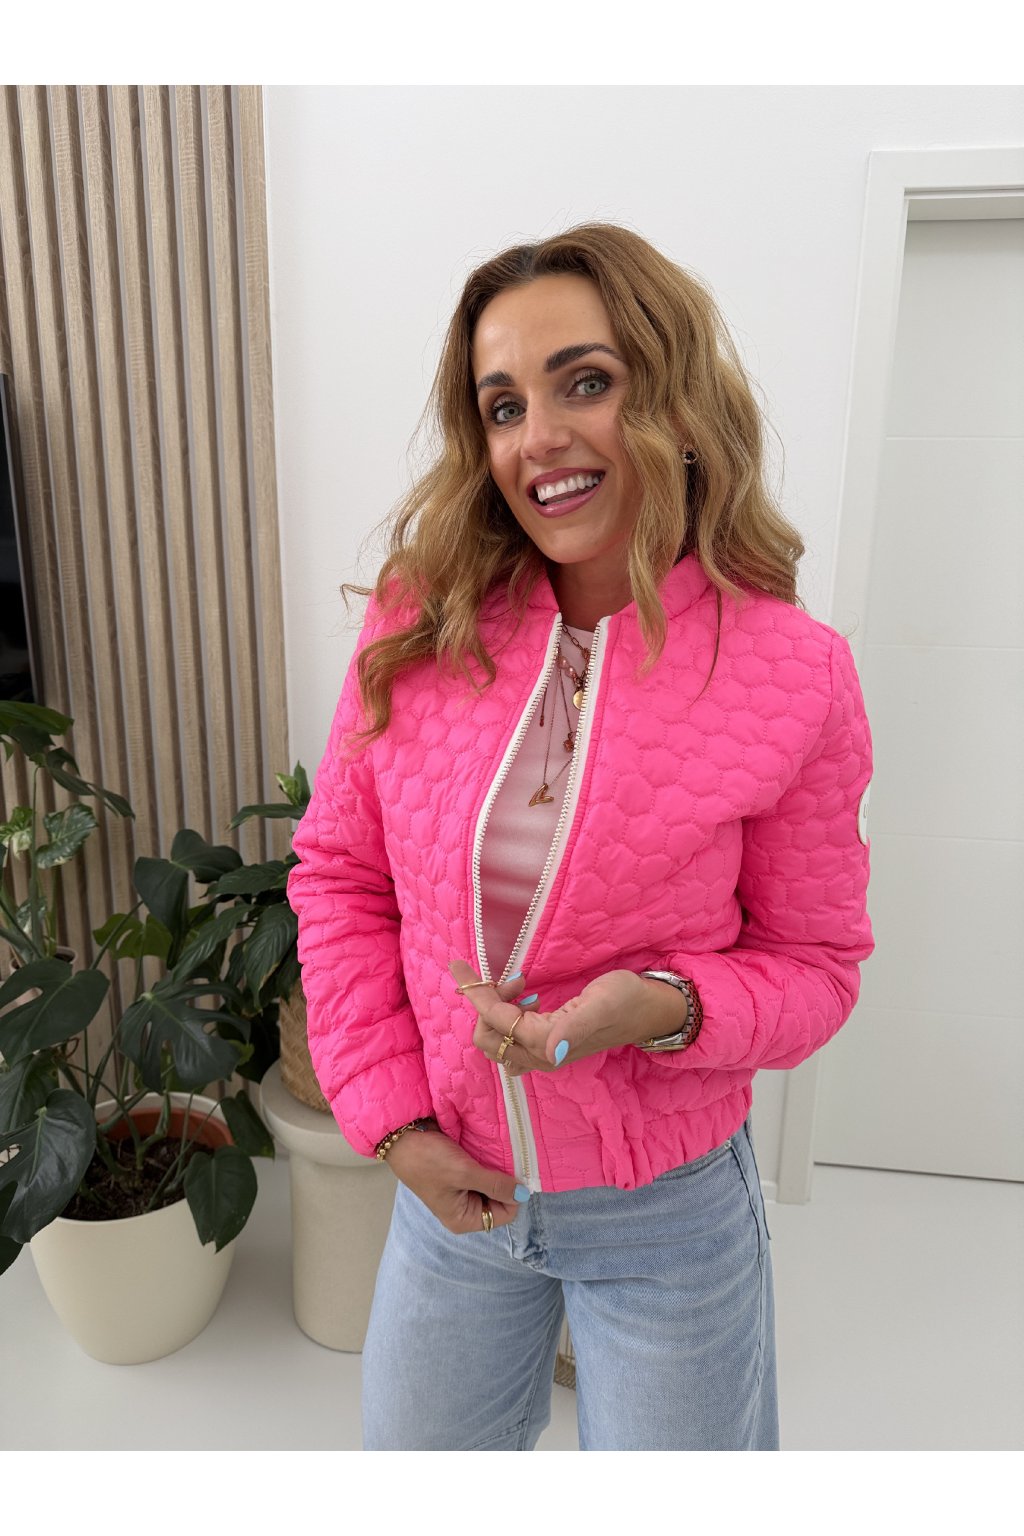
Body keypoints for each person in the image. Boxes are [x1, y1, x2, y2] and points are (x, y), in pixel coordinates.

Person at [286, 222, 874, 1452]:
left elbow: (815, 969)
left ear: (676, 402)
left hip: (666, 1213)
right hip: (453, 1189)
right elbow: (340, 877)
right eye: (503, 406)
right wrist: (393, 1127)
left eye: (584, 383)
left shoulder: (794, 674)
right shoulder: (421, 620)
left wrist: (660, 1007)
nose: (537, 438)